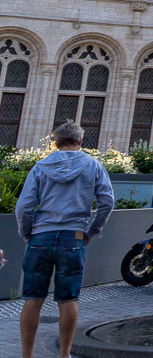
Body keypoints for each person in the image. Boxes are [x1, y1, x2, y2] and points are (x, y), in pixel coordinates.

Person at [16, 122, 114, 358]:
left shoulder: (41, 166)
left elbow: (24, 207)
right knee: (68, 299)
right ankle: (64, 354)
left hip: (41, 236)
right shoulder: (93, 165)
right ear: (80, 141)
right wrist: (91, 232)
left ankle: (27, 355)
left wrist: (28, 234)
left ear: (56, 143)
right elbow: (107, 202)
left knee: (32, 298)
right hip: (74, 237)